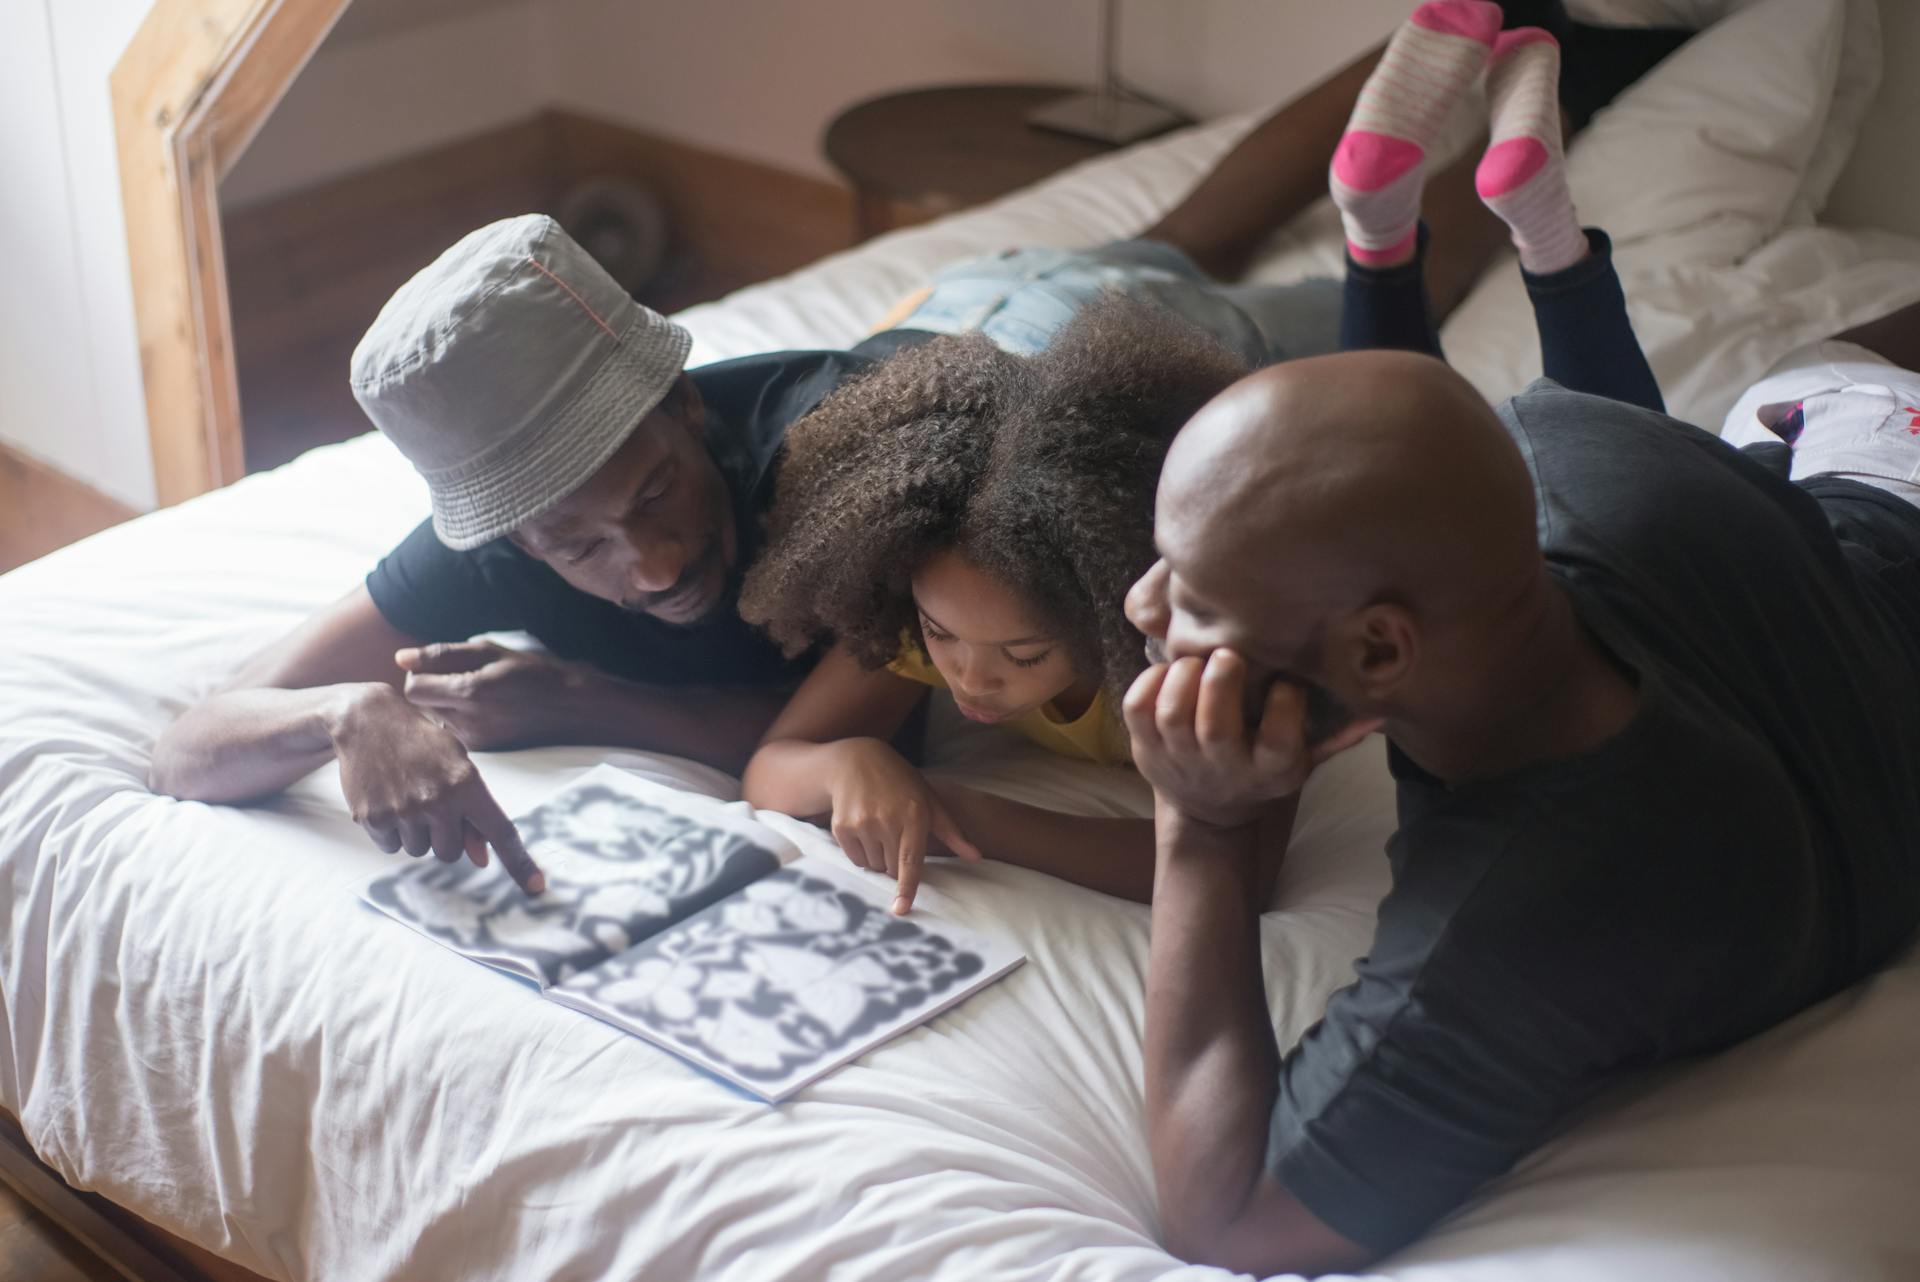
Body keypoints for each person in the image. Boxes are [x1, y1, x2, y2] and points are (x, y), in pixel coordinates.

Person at [146, 2, 1687, 891]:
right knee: (1181, 228)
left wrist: (598, 690)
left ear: (691, 399)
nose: (655, 557)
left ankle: (1527, 61)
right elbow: (186, 736)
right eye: (576, 547)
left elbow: (788, 736)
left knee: (1332, 321)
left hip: (1061, 362)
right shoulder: (494, 520)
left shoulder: (874, 499)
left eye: (663, 494)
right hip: (948, 322)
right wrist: (349, 712)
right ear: (503, 533)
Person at [1119, 4, 1920, 1274]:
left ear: (1381, 658)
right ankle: (1392, 241)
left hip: (1841, 553)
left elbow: (1228, 1220)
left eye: (1192, 598)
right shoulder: (1573, 449)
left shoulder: (1534, 908)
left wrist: (1202, 827)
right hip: (1859, 482)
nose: (1142, 611)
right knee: (1826, 371)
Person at [737, 299, 1251, 915]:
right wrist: (847, 764)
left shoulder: (1185, 655)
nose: (970, 680)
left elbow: (1240, 863)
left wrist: (955, 811)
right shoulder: (934, 592)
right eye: (939, 634)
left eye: (1025, 654)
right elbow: (770, 766)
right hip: (1008, 312)